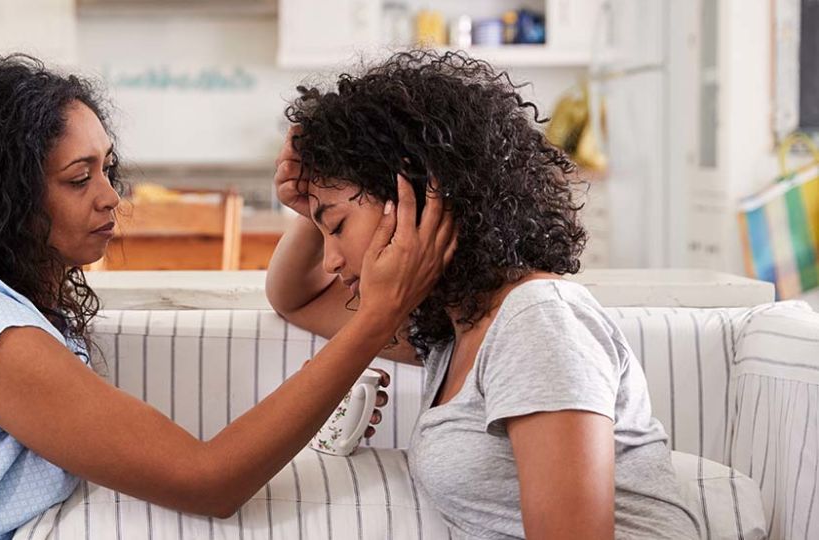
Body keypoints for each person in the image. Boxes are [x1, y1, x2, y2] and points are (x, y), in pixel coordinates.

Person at [0, 53, 453, 539]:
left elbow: (292, 299)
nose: (111, 197)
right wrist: (375, 321)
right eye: (79, 179)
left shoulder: (4, 313)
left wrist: (310, 215)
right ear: (3, 199)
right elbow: (207, 480)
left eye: (108, 168)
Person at [265, 50, 700, 540]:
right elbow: (294, 299)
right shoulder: (455, 331)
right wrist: (313, 209)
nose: (331, 261)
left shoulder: (537, 322)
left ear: (413, 199)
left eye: (338, 227)